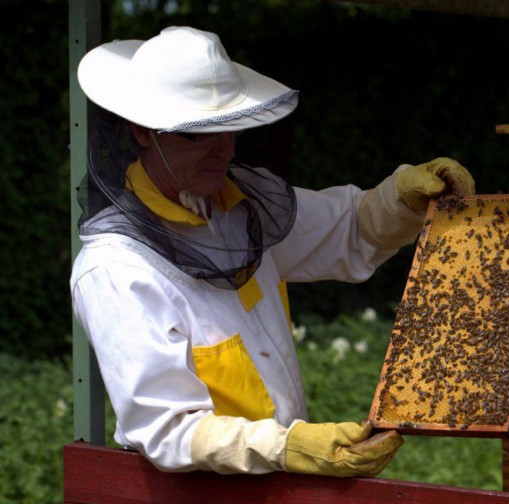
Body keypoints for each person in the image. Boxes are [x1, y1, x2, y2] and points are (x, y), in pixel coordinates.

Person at [71, 26, 475, 477]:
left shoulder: (242, 208)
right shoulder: (117, 268)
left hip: (277, 491)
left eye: (230, 128)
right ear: (143, 132)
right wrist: (290, 446)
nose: (222, 150)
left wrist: (401, 198)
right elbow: (169, 430)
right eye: (197, 133)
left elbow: (351, 228)